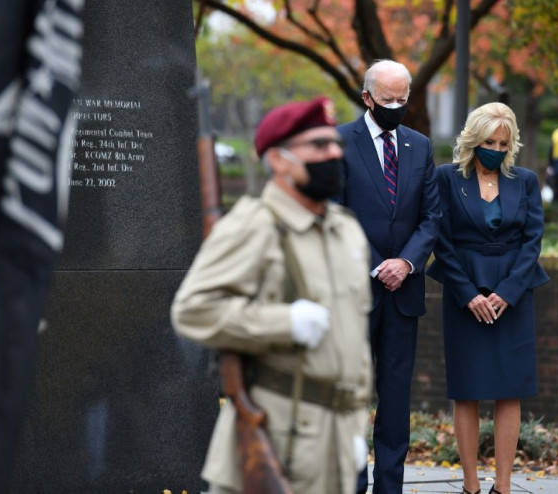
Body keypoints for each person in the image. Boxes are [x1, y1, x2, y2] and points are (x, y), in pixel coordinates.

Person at [171, 96, 373, 494]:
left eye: (336, 144)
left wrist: (353, 428)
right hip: (280, 436)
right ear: (280, 160)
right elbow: (193, 310)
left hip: (336, 441)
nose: (334, 153)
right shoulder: (255, 225)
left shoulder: (345, 229)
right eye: (318, 145)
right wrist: (284, 323)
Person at [426, 102, 550, 494]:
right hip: (465, 292)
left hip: (513, 294)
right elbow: (441, 241)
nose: (496, 149)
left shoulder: (525, 180)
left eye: (503, 142)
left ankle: (504, 487)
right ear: (472, 140)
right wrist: (468, 295)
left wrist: (508, 293)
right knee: (468, 388)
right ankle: (471, 485)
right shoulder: (447, 178)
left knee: (510, 389)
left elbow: (532, 242)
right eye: (489, 141)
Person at [337, 59, 441, 494]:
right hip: (355, 291)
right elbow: (334, 214)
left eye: (403, 99)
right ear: (367, 98)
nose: (396, 106)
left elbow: (431, 217)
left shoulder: (420, 146)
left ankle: (390, 487)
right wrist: (377, 263)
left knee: (396, 400)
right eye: (388, 100)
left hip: (404, 293)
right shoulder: (340, 141)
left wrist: (407, 263)